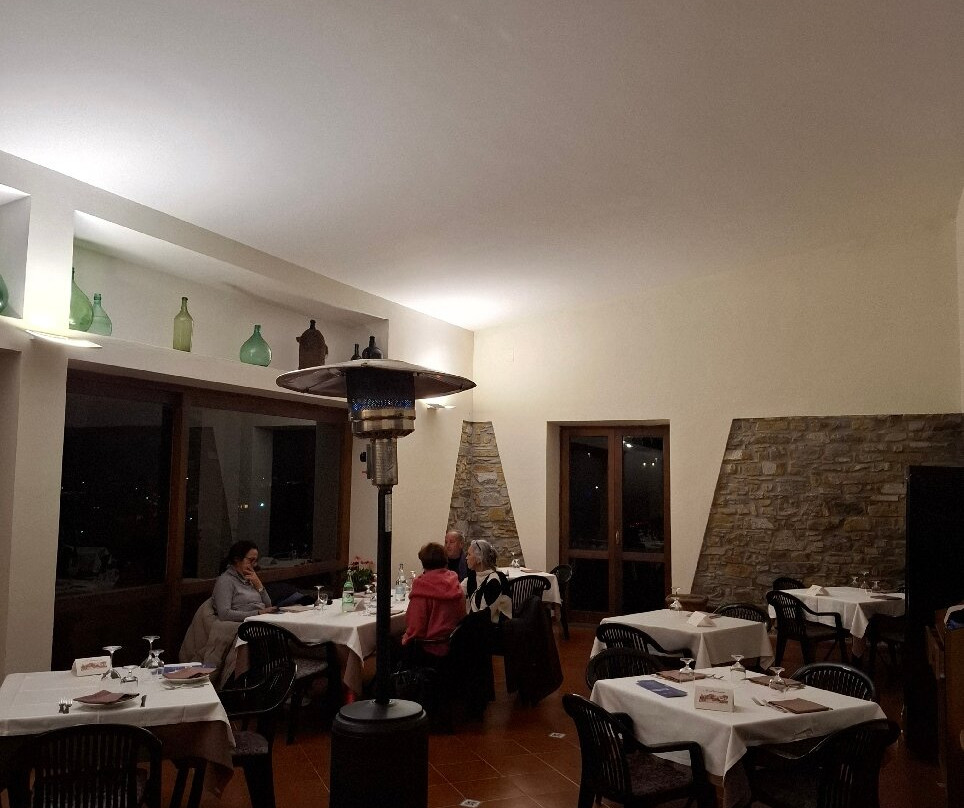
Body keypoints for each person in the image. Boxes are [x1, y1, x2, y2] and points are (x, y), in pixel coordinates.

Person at [401, 542, 465, 658]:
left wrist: (404, 638)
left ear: (423, 562)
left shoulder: (422, 588)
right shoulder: (455, 582)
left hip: (429, 648)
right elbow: (462, 615)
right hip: (454, 645)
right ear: (445, 560)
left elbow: (415, 628)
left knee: (388, 640)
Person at [212, 540, 275, 621]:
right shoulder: (225, 581)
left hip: (261, 619)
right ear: (237, 559)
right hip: (244, 623)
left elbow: (268, 605)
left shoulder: (250, 578)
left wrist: (259, 586)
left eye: (255, 561)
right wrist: (258, 613)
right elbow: (224, 614)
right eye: (251, 560)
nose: (255, 564)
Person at [461, 539, 511, 623]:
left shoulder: (494, 580)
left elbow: (485, 615)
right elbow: (458, 592)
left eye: (469, 554)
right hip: (477, 623)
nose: (466, 558)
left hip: (493, 626)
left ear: (479, 559)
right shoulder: (474, 576)